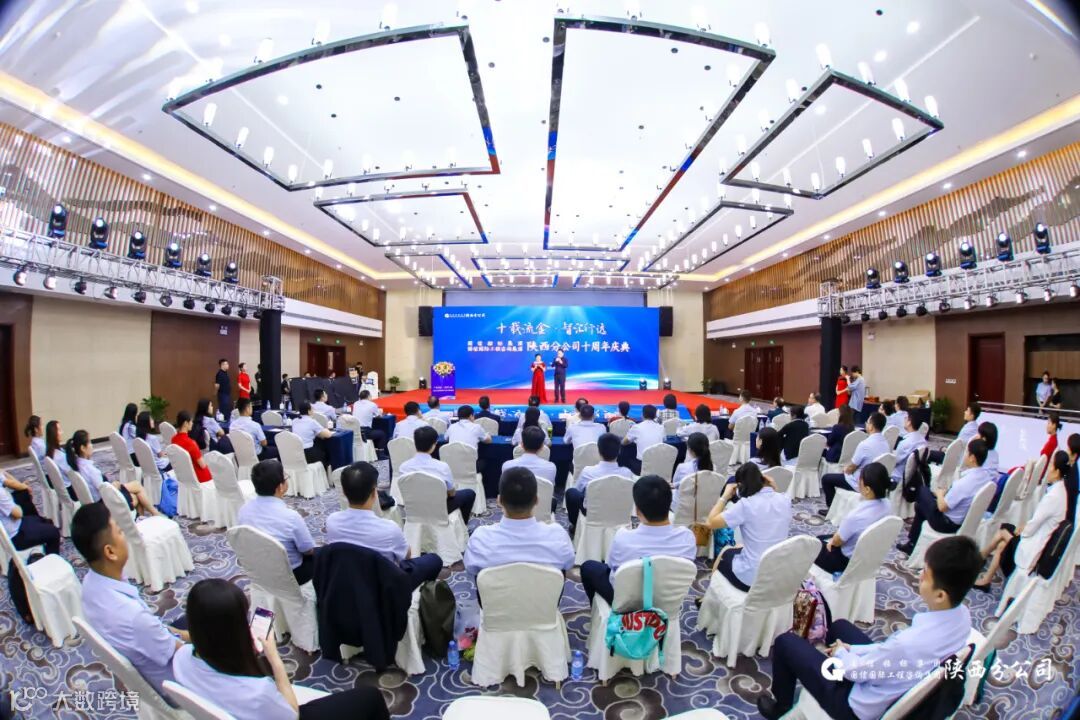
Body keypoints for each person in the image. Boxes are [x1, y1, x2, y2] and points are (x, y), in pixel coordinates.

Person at [757, 535, 981, 720]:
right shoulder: (962, 616)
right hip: (895, 677)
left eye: (925, 574)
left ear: (940, 595)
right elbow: (886, 653)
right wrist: (851, 650)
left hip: (854, 707)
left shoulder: (908, 644)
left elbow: (857, 672)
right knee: (839, 627)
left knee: (786, 642)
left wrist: (842, 653)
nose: (919, 576)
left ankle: (781, 708)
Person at [173, 578, 389, 720]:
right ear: (235, 630)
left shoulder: (181, 657)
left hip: (230, 705)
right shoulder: (258, 692)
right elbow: (292, 714)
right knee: (371, 698)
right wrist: (275, 659)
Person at [71, 503, 185, 697]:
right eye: (120, 531)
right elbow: (179, 650)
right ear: (110, 552)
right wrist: (193, 637)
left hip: (149, 658)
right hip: (176, 683)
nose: (125, 535)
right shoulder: (134, 617)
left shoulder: (90, 584)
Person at [326, 462, 442, 590]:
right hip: (385, 586)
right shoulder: (389, 529)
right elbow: (406, 556)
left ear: (343, 492)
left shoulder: (332, 522)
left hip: (350, 581)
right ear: (374, 493)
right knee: (434, 560)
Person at [580, 475, 695, 605]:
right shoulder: (687, 538)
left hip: (628, 602)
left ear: (637, 510)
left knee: (588, 567)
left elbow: (612, 567)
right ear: (670, 503)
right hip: (669, 599)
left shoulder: (623, 538)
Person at [974, 450, 1073, 591]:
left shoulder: (1053, 497)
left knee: (1003, 532)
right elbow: (1038, 521)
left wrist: (1022, 529)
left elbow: (1032, 528)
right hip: (1039, 540)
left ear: (1057, 472)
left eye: (1051, 465)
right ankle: (985, 575)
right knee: (1002, 543)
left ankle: (980, 559)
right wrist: (1024, 527)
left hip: (1035, 547)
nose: (1048, 468)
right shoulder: (1061, 490)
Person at [464, 467, 573, 583]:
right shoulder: (558, 535)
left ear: (499, 501)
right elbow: (568, 563)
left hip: (494, 594)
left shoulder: (480, 538)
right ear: (537, 500)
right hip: (546, 594)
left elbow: (471, 568)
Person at [897, 438, 997, 554]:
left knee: (922, 490)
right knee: (920, 506)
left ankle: (911, 543)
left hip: (946, 523)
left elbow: (942, 507)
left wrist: (940, 494)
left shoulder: (964, 483)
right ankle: (912, 543)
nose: (964, 455)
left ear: (972, 458)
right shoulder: (986, 478)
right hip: (963, 520)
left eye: (967, 452)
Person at [706, 462, 792, 592]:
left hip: (751, 578)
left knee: (726, 551)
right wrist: (773, 486)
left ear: (741, 486)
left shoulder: (745, 505)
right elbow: (775, 499)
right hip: (777, 573)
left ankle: (710, 596)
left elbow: (710, 522)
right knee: (740, 546)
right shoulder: (785, 499)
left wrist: (724, 497)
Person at [238, 460, 316, 585]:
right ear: (280, 487)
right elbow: (308, 550)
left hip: (259, 569)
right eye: (286, 477)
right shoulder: (291, 517)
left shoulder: (243, 509)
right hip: (290, 574)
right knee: (323, 556)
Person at [813, 462, 893, 574]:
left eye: (859, 479)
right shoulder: (888, 505)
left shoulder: (856, 516)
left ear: (867, 489)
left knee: (814, 543)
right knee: (824, 538)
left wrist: (832, 542)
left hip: (847, 561)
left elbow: (837, 542)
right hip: (870, 555)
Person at [67, 429, 157, 515]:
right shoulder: (89, 469)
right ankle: (154, 513)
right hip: (104, 502)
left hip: (94, 502)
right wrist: (114, 485)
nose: (92, 446)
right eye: (90, 443)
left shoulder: (77, 465)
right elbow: (103, 490)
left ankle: (148, 515)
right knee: (136, 495)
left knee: (136, 487)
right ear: (83, 448)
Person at [398, 425, 476, 524]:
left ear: (415, 443)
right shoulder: (442, 467)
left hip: (414, 509)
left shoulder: (403, 467)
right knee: (469, 493)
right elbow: (451, 493)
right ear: (434, 445)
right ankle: (462, 527)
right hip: (438, 510)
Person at [566, 432, 634, 532]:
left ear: (598, 450)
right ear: (619, 451)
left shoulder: (588, 471)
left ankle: (576, 525)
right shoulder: (627, 473)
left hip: (593, 513)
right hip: (618, 512)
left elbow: (578, 490)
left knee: (571, 493)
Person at [821, 412, 890, 510]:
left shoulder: (865, 444)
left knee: (826, 479)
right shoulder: (886, 444)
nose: (866, 424)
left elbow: (851, 468)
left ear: (871, 426)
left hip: (861, 482)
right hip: (877, 482)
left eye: (867, 422)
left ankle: (831, 509)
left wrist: (845, 470)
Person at [1, 478, 60, 556]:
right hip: (15, 536)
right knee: (53, 532)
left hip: (14, 526)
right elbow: (18, 514)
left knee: (45, 521)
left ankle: (38, 554)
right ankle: (51, 560)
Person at [671, 432, 714, 511]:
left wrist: (673, 485)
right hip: (705, 507)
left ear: (690, 450)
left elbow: (676, 484)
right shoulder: (714, 468)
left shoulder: (682, 467)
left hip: (683, 509)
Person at [172, 411, 212, 483]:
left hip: (185, 477)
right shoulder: (191, 443)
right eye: (191, 421)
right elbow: (202, 465)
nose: (192, 423)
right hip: (200, 478)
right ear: (185, 423)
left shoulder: (173, 440)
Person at [624, 404, 665, 473]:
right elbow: (664, 439)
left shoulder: (637, 427)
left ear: (642, 415)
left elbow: (624, 442)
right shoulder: (661, 428)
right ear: (655, 416)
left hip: (642, 465)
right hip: (658, 464)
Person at [293, 402, 334, 469]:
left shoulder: (294, 421)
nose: (313, 410)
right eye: (312, 409)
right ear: (309, 411)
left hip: (296, 452)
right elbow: (328, 435)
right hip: (308, 453)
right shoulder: (311, 422)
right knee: (326, 454)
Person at [891, 413, 927, 486]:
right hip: (913, 476)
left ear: (909, 422)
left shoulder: (905, 443)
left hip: (897, 477)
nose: (904, 420)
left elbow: (894, 462)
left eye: (906, 418)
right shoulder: (923, 441)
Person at [44, 419, 75, 497]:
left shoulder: (49, 452)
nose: (62, 432)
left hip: (61, 488)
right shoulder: (60, 456)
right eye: (59, 430)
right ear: (54, 434)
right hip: (70, 490)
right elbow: (72, 474)